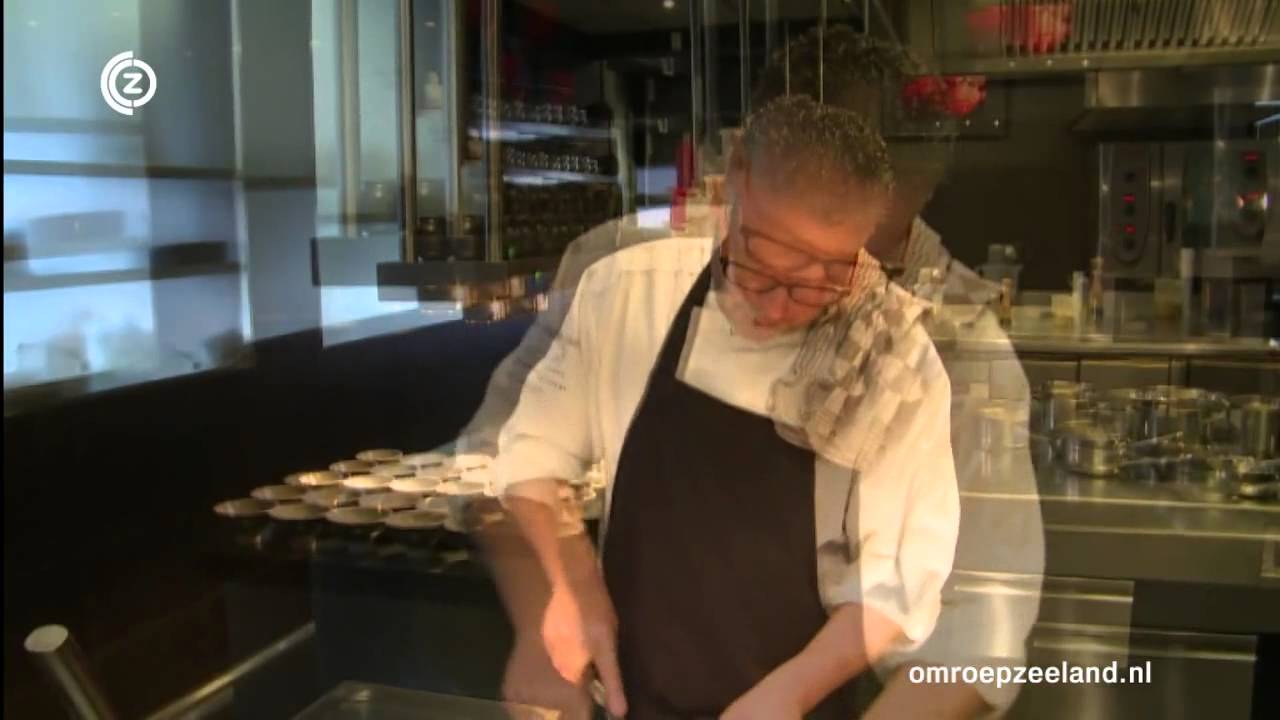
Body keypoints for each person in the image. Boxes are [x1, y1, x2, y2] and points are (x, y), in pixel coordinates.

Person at [483, 93, 959, 720]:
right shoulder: (630, 294)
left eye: (820, 282)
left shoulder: (895, 358)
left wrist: (786, 697)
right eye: (762, 266)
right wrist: (574, 583)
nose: (781, 306)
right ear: (734, 187)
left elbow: (898, 584)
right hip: (634, 702)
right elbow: (532, 458)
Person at [750, 26, 1045, 719]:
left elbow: (978, 625)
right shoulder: (656, 286)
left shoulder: (963, 351)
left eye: (865, 248)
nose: (826, 281)